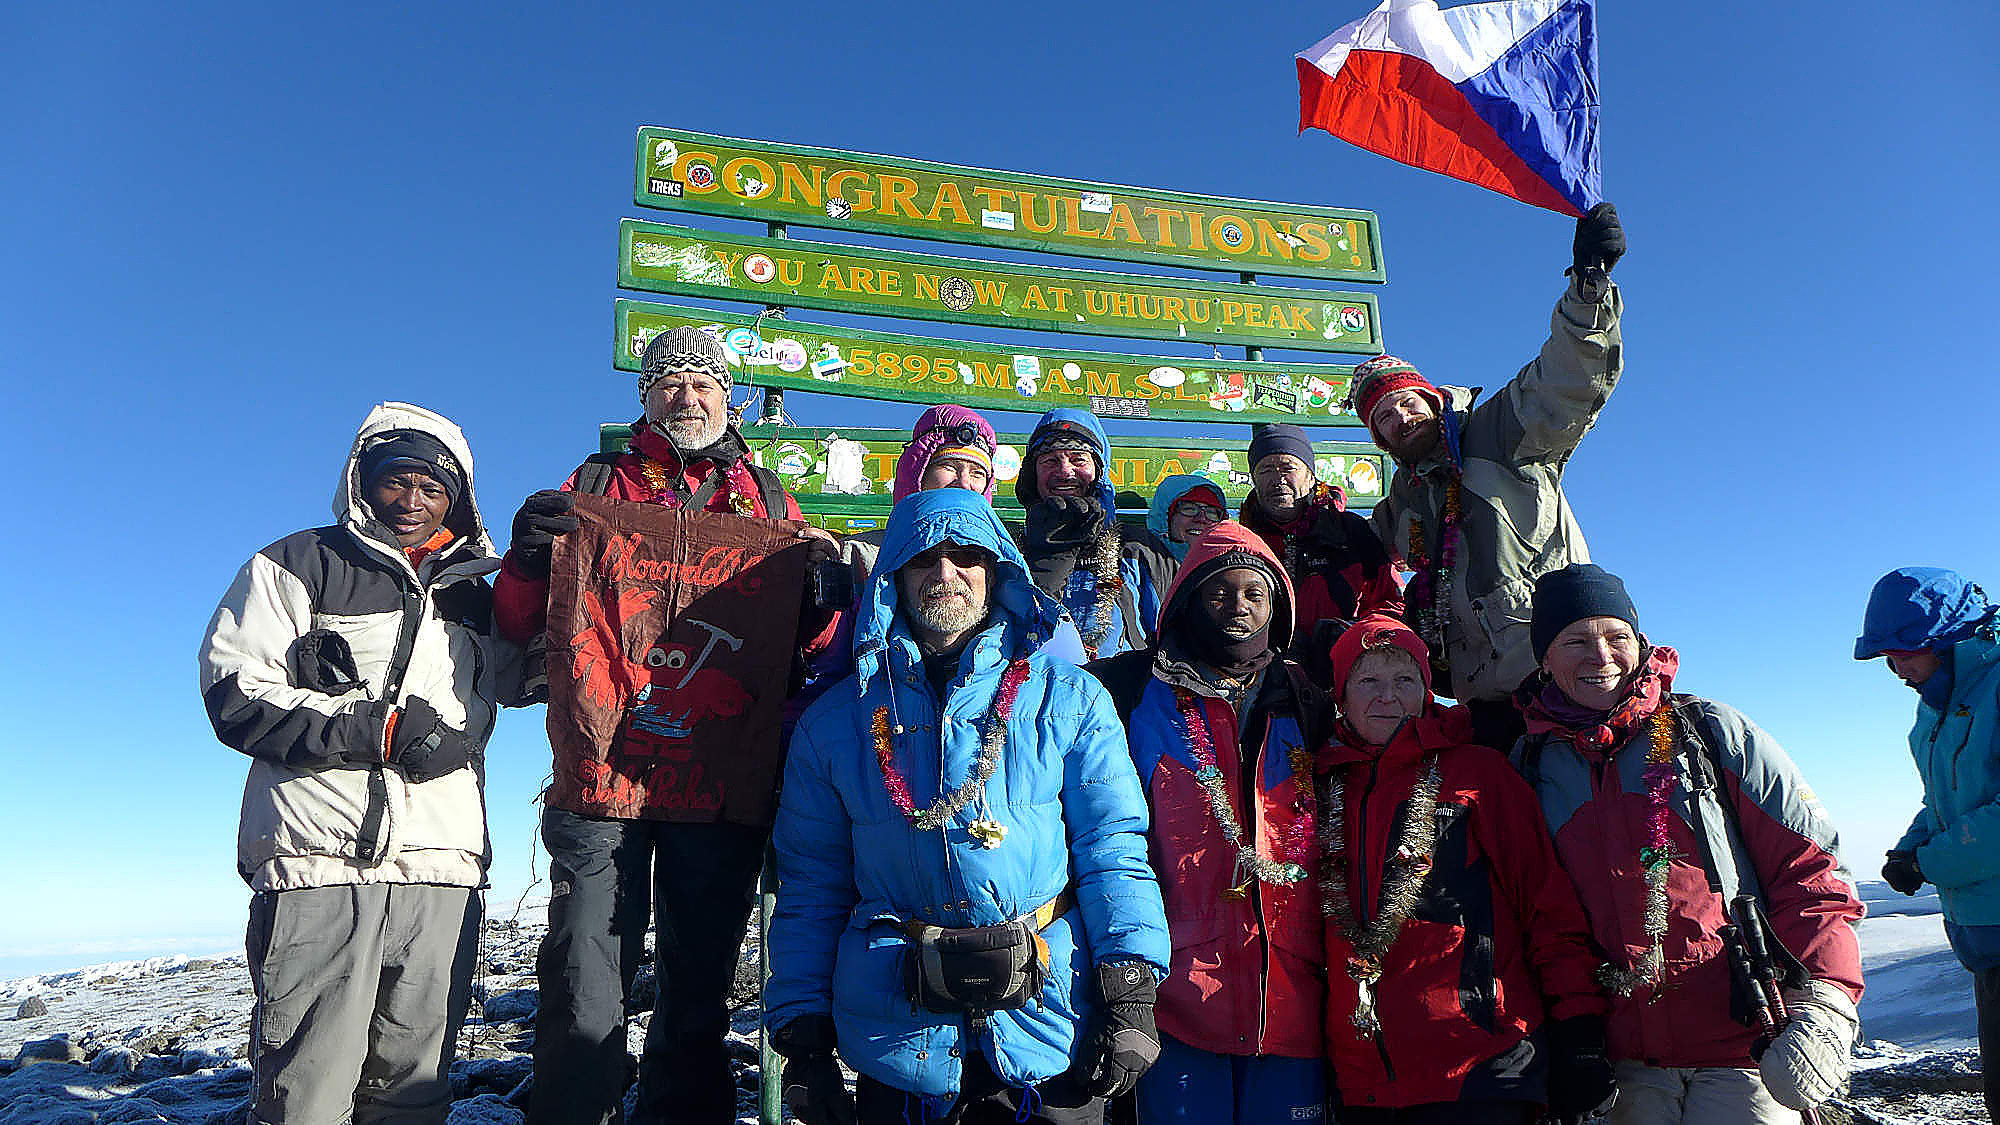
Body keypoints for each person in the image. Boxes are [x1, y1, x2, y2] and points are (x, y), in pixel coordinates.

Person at [491, 325, 840, 1125]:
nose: (687, 395)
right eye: (669, 381)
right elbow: (518, 624)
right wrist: (523, 560)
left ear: (729, 396)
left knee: (698, 991)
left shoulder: (770, 500)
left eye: (702, 381)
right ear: (645, 396)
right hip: (601, 769)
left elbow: (807, 648)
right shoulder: (593, 482)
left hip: (721, 778)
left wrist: (819, 602)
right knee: (585, 982)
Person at [765, 487, 1171, 1125]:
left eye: (966, 558)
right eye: (924, 561)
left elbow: (1112, 847)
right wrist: (802, 1032)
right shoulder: (834, 724)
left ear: (999, 572)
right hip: (898, 1033)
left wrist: (1130, 983)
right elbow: (813, 885)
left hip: (1051, 1022)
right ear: (893, 581)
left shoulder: (1070, 699)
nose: (946, 575)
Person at [199, 402, 518, 1125]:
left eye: (432, 488)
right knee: (306, 1090)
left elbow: (529, 675)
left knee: (413, 1089)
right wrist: (375, 731)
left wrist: (535, 578)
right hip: (321, 864)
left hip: (443, 871)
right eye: (395, 480)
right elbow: (232, 690)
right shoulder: (297, 563)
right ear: (361, 481)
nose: (412, 501)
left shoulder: (474, 592)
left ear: (456, 500)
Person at [1512, 564, 1863, 1123]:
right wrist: (1571, 1039)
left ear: (1641, 642)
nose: (1600, 656)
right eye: (1575, 640)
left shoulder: (1713, 732)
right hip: (1619, 1064)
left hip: (1745, 1049)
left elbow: (1808, 871)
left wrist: (1828, 998)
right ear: (1544, 660)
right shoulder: (1529, 767)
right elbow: (1534, 916)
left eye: (1616, 636)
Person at [1348, 203, 1627, 748]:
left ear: (1430, 397)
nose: (1399, 419)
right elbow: (1354, 543)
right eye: (1383, 419)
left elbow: (1565, 380)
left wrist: (1588, 287)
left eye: (1404, 404)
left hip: (1555, 666)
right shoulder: (1407, 494)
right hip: (1481, 694)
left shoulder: (1500, 433)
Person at [1316, 614, 1610, 1125]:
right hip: (1360, 1080)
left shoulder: (1478, 773)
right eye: (1368, 681)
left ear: (1428, 693)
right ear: (1340, 695)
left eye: (1404, 680)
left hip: (1479, 1069)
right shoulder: (1318, 787)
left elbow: (1546, 905)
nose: (1387, 697)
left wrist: (1578, 1032)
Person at [1087, 521, 1329, 1125]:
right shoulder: (1129, 690)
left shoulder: (1308, 700)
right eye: (1220, 594)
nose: (1238, 609)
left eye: (1255, 594)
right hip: (1174, 996)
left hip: (1291, 992)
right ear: (1189, 601)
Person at [1856, 567, 2000, 1120]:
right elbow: (1947, 800)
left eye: (1907, 651)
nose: (1897, 669)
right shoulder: (1941, 704)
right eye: (1886, 657)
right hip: (1984, 932)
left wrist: (1932, 861)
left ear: (1953, 637)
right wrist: (1908, 848)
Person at [1237, 422, 1401, 679]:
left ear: (1311, 476)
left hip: (1347, 674)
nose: (1277, 479)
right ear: (1254, 479)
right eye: (1266, 470)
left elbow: (1390, 603)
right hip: (1263, 676)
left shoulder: (1350, 532)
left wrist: (1354, 636)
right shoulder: (1242, 541)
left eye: (1288, 467)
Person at [1014, 409, 1173, 659]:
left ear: (1099, 471)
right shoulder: (1012, 550)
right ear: (1033, 475)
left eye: (1079, 459)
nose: (1065, 471)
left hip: (1121, 693)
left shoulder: (1138, 548)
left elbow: (1172, 638)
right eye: (1050, 461)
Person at [1141, 474, 1226, 563]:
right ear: (1165, 518)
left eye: (1211, 512)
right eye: (1190, 509)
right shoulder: (1139, 561)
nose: (1201, 519)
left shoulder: (1228, 566)